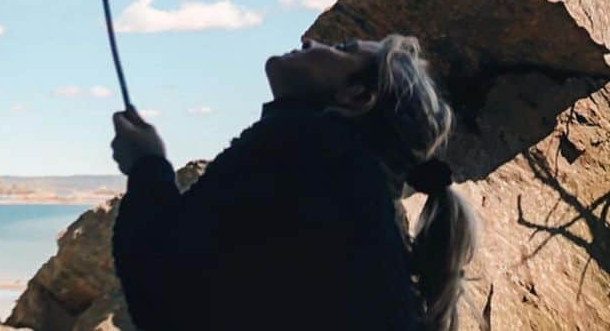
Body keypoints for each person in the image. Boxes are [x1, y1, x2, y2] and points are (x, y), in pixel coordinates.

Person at [110, 34, 477, 331]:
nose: (312, 42)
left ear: (357, 96)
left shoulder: (306, 146)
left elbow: (165, 288)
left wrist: (146, 166)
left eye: (341, 49)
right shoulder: (345, 184)